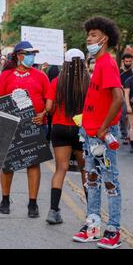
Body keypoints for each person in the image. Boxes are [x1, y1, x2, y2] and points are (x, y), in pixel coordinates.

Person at [72, 16, 124, 249]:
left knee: (110, 183)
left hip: (103, 134)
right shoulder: (98, 63)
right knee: (91, 181)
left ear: (104, 38)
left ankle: (113, 230)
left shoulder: (107, 63)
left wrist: (103, 128)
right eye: (88, 34)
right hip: (90, 134)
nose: (88, 39)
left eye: (93, 35)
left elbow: (118, 98)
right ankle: (92, 225)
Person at [0, 41, 50, 217]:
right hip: (11, 125)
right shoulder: (6, 76)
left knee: (33, 163)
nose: (32, 57)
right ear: (19, 55)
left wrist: (44, 113)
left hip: (35, 124)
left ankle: (32, 203)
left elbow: (49, 99)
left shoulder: (41, 75)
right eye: (29, 53)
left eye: (33, 53)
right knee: (8, 164)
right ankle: (5, 199)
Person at [45, 49, 89, 224]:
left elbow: (49, 108)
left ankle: (53, 211)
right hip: (81, 129)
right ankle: (91, 213)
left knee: (60, 169)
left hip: (60, 128)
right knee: (86, 170)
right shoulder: (88, 83)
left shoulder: (57, 81)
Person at [119, 54, 133, 144]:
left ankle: (130, 135)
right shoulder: (119, 72)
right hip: (123, 97)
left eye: (130, 61)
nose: (128, 63)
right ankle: (124, 134)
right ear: (123, 61)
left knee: (132, 117)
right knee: (123, 117)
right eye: (126, 61)